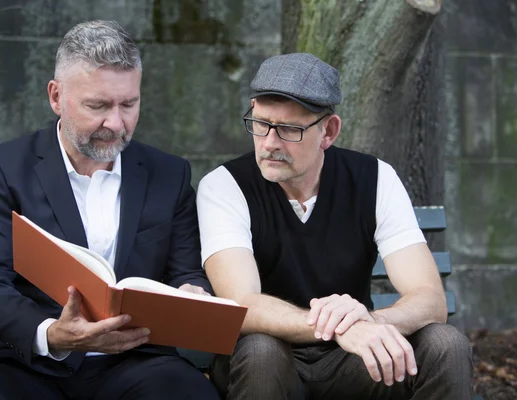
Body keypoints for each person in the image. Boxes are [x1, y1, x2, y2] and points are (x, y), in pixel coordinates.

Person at [0, 20, 219, 400]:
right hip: (29, 364)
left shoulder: (169, 173)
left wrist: (192, 293)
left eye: (128, 104)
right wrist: (50, 333)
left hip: (135, 363)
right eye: (98, 106)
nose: (116, 123)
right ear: (56, 97)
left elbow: (186, 271)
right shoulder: (5, 168)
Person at [197, 53, 473, 400]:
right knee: (262, 351)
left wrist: (372, 325)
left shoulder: (375, 179)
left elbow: (429, 298)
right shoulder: (225, 186)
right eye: (261, 123)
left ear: (328, 130)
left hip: (353, 359)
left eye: (289, 130)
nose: (269, 143)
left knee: (445, 344)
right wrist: (338, 327)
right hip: (265, 359)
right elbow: (241, 303)